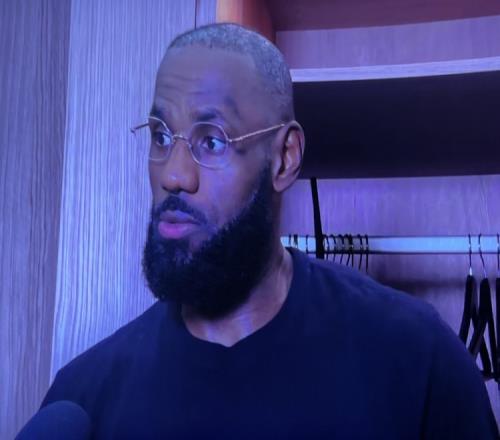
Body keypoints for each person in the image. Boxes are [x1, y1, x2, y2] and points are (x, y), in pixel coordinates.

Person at [39, 23, 498, 439]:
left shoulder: (418, 361)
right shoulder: (81, 399)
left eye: (211, 140)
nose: (173, 175)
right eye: (161, 136)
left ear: (284, 158)